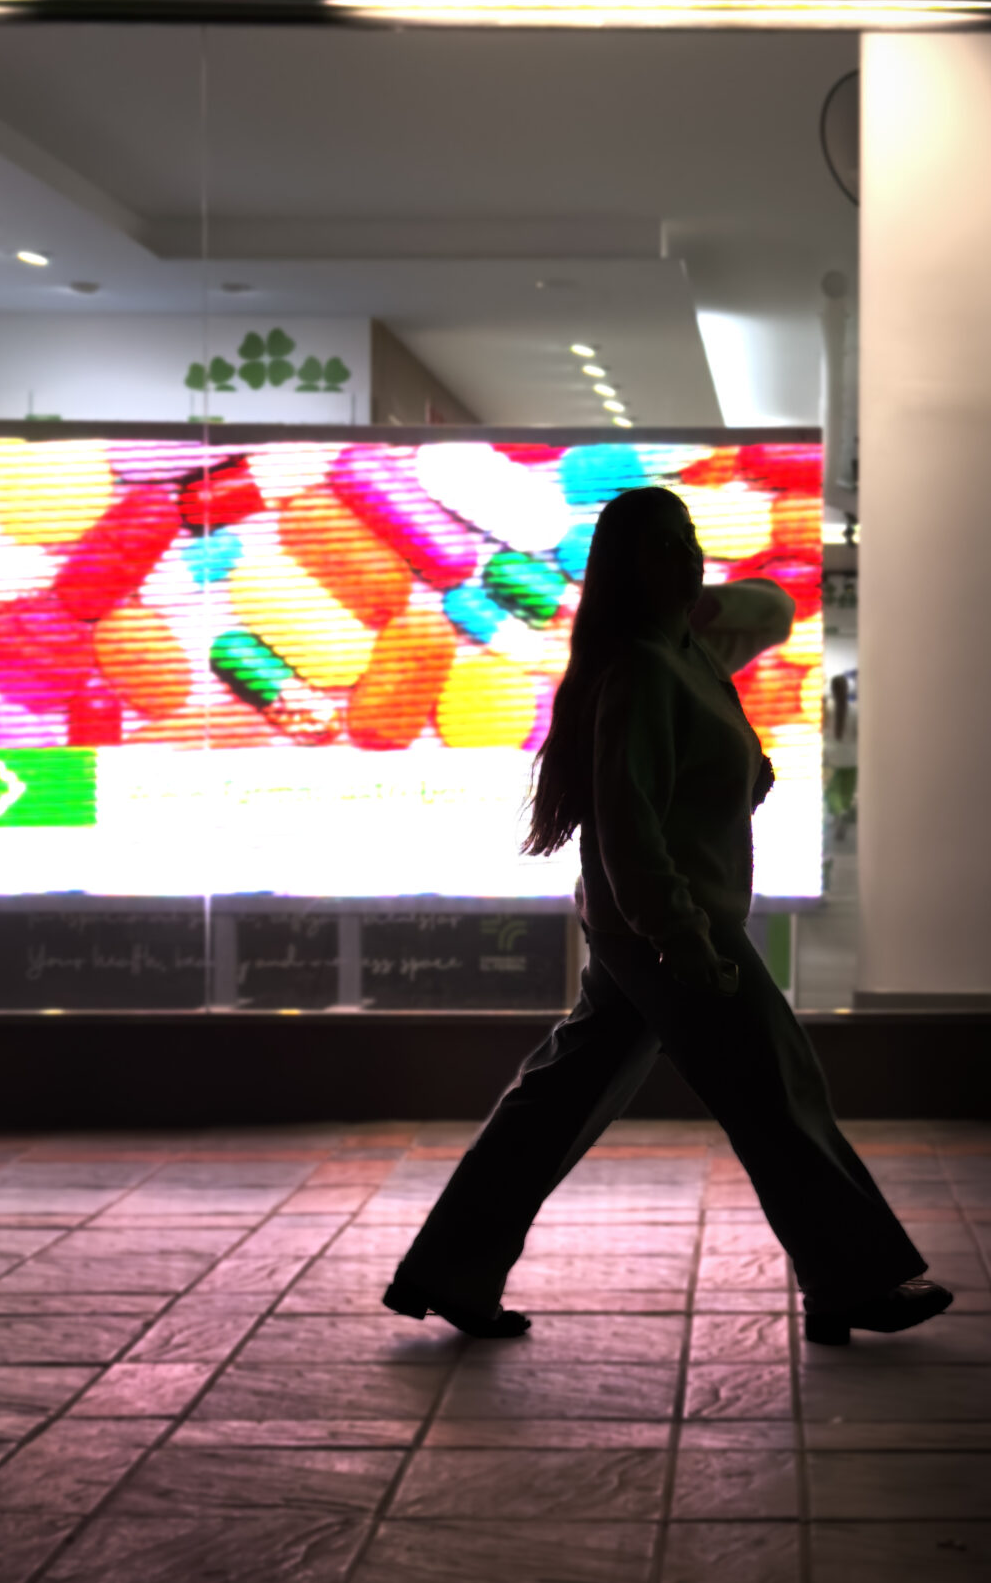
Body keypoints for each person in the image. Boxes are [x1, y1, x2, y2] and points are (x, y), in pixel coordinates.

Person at [383, 485, 949, 1350]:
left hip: (647, 927)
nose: (689, 555)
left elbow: (774, 607)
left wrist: (688, 605)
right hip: (670, 927)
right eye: (666, 546)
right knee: (778, 1089)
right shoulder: (644, 667)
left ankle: (448, 1273)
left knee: (556, 1105)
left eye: (691, 540)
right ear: (629, 568)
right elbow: (628, 826)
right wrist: (680, 938)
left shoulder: (688, 652)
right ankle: (852, 1281)